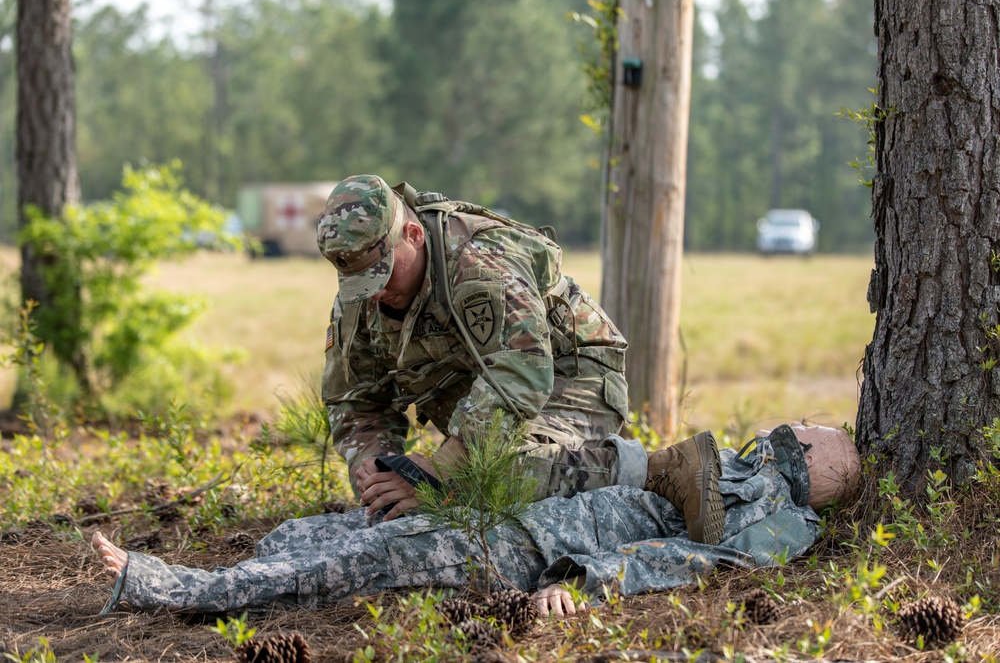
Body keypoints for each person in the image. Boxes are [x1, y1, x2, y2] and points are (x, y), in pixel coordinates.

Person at [315, 173, 723, 544]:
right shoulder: (362, 294)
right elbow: (354, 399)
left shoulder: (477, 261)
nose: (374, 292)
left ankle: (665, 469)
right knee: (455, 492)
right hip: (491, 404)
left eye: (383, 272)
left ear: (413, 234)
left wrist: (441, 468)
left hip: (573, 377)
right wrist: (373, 470)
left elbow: (522, 370)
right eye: (360, 282)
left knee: (491, 476)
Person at [92, 423, 861, 618]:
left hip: (518, 550)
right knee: (304, 536)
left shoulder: (770, 529)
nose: (784, 435)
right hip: (520, 516)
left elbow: (687, 561)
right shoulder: (733, 469)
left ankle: (172, 586)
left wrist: (586, 586)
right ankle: (241, 575)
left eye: (801, 440)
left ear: (815, 475)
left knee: (338, 567)